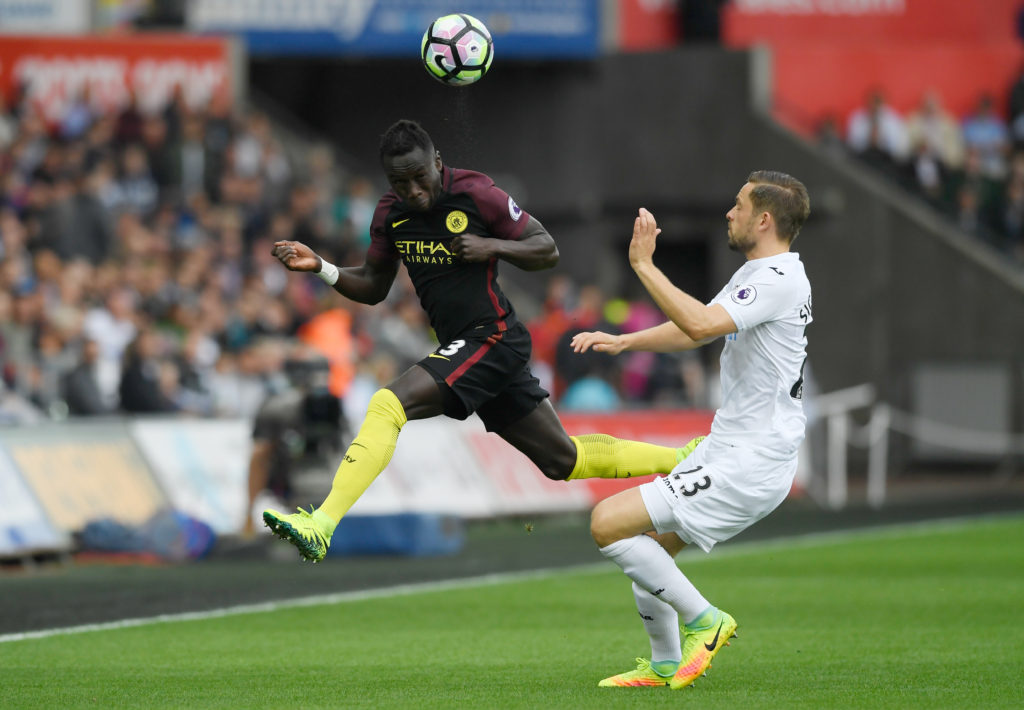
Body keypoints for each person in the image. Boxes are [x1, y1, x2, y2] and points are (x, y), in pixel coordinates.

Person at [262, 119, 698, 561]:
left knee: (387, 404)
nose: (412, 190)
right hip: (472, 348)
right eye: (399, 181)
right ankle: (684, 461)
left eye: (419, 177)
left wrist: (492, 248)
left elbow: (546, 248)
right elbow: (374, 286)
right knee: (563, 461)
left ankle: (321, 523)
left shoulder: (475, 193)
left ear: (437, 162)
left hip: (493, 336)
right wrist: (322, 267)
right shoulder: (391, 212)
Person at [571, 170, 811, 690]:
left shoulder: (779, 279)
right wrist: (625, 342)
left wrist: (642, 265)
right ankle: (663, 665)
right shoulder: (760, 272)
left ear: (764, 219)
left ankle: (707, 620)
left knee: (606, 522)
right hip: (731, 446)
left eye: (740, 205)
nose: (730, 212)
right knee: (648, 550)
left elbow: (699, 324)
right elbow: (697, 327)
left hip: (753, 458)